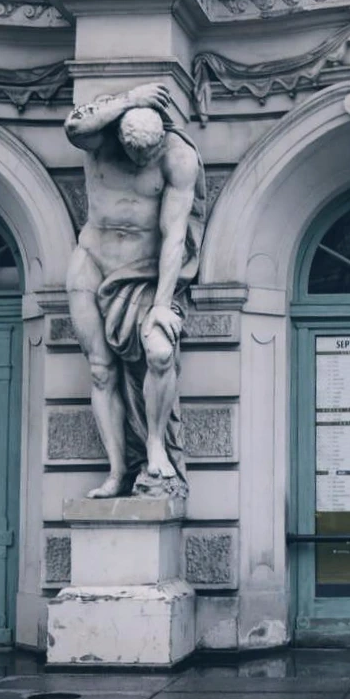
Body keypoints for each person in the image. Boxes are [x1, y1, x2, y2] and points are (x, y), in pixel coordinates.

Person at [64, 83, 208, 498]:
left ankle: (156, 447)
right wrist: (130, 100)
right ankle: (116, 473)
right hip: (92, 261)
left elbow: (174, 234)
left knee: (160, 354)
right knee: (100, 370)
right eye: (133, 153)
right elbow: (73, 127)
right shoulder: (99, 142)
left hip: (145, 272)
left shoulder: (178, 157)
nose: (142, 160)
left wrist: (162, 304)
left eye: (148, 153)